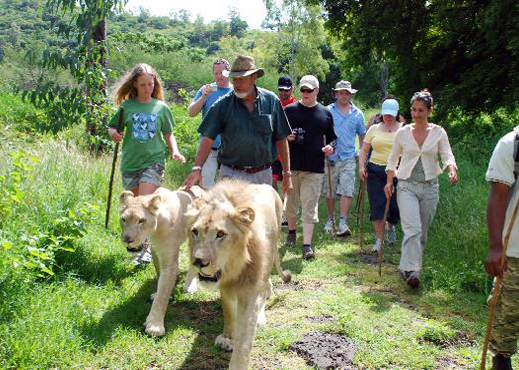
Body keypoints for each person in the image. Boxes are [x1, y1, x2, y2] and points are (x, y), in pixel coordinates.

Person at [108, 63, 186, 264]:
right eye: (142, 84)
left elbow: (168, 133)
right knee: (134, 208)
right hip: (131, 163)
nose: (147, 88)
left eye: (150, 84)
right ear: (134, 84)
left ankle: (147, 250)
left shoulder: (161, 107)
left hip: (154, 161)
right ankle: (138, 244)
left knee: (144, 204)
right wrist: (113, 134)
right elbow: (112, 127)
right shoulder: (126, 107)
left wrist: (175, 151)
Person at [183, 55, 292, 194]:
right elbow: (207, 138)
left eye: (241, 79)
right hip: (231, 176)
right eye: (234, 79)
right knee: (227, 215)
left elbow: (281, 138)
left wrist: (287, 173)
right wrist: (197, 168)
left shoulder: (271, 101)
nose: (237, 84)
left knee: (260, 216)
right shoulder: (222, 105)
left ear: (254, 78)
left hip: (262, 176)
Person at [384, 89, 457, 289]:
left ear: (429, 111)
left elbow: (447, 154)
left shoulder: (439, 132)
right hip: (406, 185)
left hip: (430, 186)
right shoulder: (403, 133)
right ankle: (413, 271)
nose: (416, 114)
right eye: (414, 110)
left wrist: (451, 170)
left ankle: (405, 266)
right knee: (412, 229)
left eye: (421, 111)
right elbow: (392, 159)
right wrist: (389, 182)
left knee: (421, 232)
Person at [284, 75, 336, 259]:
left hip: (315, 167)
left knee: (309, 205)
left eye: (309, 90)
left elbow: (332, 137)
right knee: (290, 206)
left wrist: (330, 147)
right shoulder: (289, 111)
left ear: (317, 91)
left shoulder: (325, 113)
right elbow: (278, 134)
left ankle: (307, 245)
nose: (305, 93)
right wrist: (287, 137)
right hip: (292, 166)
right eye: (303, 90)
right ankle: (291, 232)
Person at [485, 127, 519, 370]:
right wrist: (496, 247)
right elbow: (498, 196)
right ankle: (501, 359)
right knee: (509, 312)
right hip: (516, 246)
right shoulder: (511, 144)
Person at [358, 98, 401, 252]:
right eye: (386, 114)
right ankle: (379, 239)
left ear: (397, 114)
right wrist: (361, 167)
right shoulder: (374, 129)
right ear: (381, 114)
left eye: (391, 114)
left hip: (397, 171)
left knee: (394, 206)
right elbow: (364, 150)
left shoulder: (403, 129)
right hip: (375, 169)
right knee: (377, 205)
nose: (388, 117)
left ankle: (391, 226)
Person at [324, 80, 366, 236]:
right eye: (341, 92)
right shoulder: (327, 111)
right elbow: (321, 132)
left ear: (351, 95)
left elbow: (362, 136)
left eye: (346, 93)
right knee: (329, 190)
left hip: (349, 156)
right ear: (336, 94)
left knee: (347, 190)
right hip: (330, 157)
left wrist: (363, 156)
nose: (343, 95)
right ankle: (330, 220)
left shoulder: (358, 114)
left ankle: (342, 222)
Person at [188, 58, 233, 188]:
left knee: (227, 188)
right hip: (209, 146)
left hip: (230, 148)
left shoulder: (236, 91)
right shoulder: (206, 90)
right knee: (206, 187)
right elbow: (191, 112)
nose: (219, 76)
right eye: (216, 73)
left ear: (229, 72)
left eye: (222, 72)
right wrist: (204, 97)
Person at [272, 76, 297, 191]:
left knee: (288, 184)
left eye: (286, 90)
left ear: (292, 89)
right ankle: (274, 205)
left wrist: (294, 134)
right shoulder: (273, 103)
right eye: (281, 89)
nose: (283, 92)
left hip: (291, 152)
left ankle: (285, 207)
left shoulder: (297, 106)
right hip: (274, 151)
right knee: (272, 181)